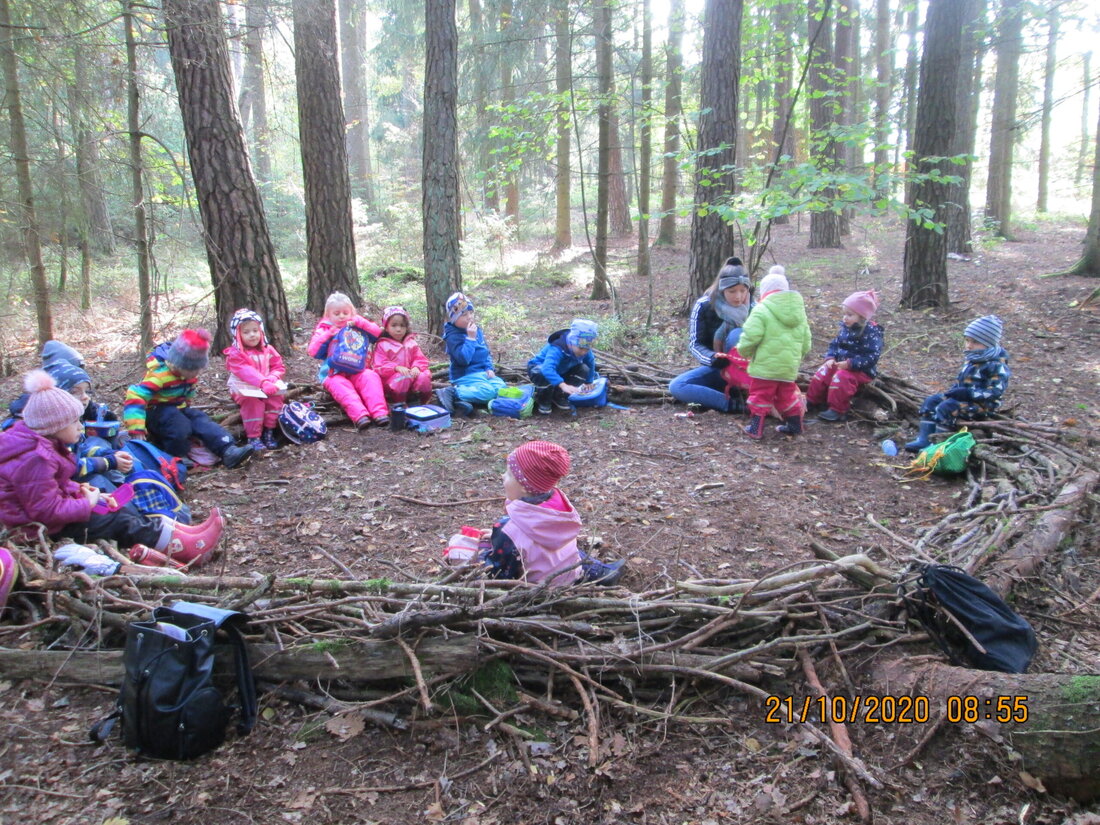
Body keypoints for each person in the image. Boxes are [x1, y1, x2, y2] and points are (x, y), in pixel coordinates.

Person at [0, 371, 223, 566]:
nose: (80, 427)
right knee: (120, 520)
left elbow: (53, 485)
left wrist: (80, 491)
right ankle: (189, 549)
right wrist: (86, 503)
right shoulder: (35, 458)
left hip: (52, 517)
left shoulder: (46, 446)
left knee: (118, 506)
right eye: (75, 422)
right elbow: (45, 510)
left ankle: (186, 534)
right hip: (38, 529)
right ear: (54, 426)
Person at [478, 441, 625, 585]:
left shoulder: (508, 529)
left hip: (542, 587)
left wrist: (486, 546)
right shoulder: (559, 506)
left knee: (464, 548)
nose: (503, 476)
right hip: (568, 568)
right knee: (570, 550)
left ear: (524, 486)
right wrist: (500, 539)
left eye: (509, 474)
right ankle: (600, 572)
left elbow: (497, 574)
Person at [5, 341, 132, 489]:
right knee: (97, 478)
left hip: (67, 479)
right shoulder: (42, 439)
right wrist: (108, 462)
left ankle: (127, 486)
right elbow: (66, 467)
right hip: (50, 494)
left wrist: (109, 453)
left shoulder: (66, 420)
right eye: (74, 392)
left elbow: (80, 447)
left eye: (86, 391)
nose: (85, 397)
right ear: (58, 395)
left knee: (112, 446)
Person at [123, 329, 253, 469]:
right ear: (180, 365)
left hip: (178, 408)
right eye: (193, 370)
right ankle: (177, 456)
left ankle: (227, 449)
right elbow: (135, 395)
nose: (196, 374)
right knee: (179, 424)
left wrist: (187, 408)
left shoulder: (188, 376)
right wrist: (136, 428)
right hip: (156, 412)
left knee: (201, 420)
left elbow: (187, 395)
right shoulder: (159, 376)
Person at [905, 315, 1010, 452]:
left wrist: (969, 393)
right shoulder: (972, 358)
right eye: (967, 340)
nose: (969, 345)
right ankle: (924, 439)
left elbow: (995, 392)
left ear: (989, 343)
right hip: (963, 398)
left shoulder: (996, 365)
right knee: (931, 401)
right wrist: (954, 391)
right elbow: (962, 381)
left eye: (975, 342)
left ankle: (938, 444)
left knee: (947, 407)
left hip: (983, 405)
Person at [668, 257, 754, 413]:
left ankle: (748, 390)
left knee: (737, 334)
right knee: (677, 386)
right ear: (722, 289)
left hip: (751, 371)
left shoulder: (755, 307)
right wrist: (713, 358)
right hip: (720, 369)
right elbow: (695, 344)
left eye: (743, 290)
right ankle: (733, 405)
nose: (738, 296)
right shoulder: (704, 305)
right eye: (732, 291)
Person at [736, 265, 812, 439]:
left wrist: (744, 351)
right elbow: (806, 342)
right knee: (786, 396)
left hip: (765, 367)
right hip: (788, 368)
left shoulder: (761, 310)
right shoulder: (799, 314)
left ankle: (755, 428)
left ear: (764, 291)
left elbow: (751, 335)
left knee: (760, 396)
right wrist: (795, 358)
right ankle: (795, 426)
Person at [308, 292, 390, 429]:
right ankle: (360, 416)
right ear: (328, 314)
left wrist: (360, 323)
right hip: (333, 372)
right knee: (341, 387)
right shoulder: (324, 328)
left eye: (345, 312)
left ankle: (379, 413)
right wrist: (329, 334)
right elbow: (313, 351)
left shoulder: (357, 323)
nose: (341, 316)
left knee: (370, 378)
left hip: (358, 368)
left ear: (351, 312)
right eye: (336, 313)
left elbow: (377, 333)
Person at [806, 289, 885, 423]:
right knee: (823, 372)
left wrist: (851, 364)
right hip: (840, 365)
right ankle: (812, 400)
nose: (845, 318)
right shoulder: (846, 329)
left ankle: (838, 409)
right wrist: (830, 358)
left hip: (860, 370)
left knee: (842, 378)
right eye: (844, 314)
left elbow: (872, 357)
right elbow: (835, 344)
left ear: (862, 317)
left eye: (850, 315)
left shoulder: (871, 333)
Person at [223, 308, 287, 452]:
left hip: (266, 385)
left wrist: (272, 377)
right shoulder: (236, 354)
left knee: (275, 400)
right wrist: (263, 382)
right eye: (246, 332)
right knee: (253, 404)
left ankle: (269, 431)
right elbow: (246, 371)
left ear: (261, 331)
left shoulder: (268, 349)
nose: (252, 335)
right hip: (244, 388)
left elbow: (278, 366)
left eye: (255, 330)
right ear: (238, 335)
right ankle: (253, 436)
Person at [438, 292, 507, 417]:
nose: (469, 317)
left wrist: (488, 368)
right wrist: (470, 339)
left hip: (482, 373)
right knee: (488, 392)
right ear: (454, 318)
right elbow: (463, 360)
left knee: (501, 388)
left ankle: (466, 403)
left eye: (471, 312)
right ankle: (453, 393)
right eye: (464, 314)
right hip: (465, 375)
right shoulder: (453, 335)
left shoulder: (476, 330)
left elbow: (485, 351)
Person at [527, 319, 600, 415]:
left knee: (584, 368)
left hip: (562, 371)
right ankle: (544, 400)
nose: (583, 352)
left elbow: (590, 363)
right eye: (581, 348)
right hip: (540, 369)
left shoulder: (585, 349)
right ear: (571, 343)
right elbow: (547, 368)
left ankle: (560, 396)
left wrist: (589, 381)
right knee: (541, 373)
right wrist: (563, 385)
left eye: (586, 349)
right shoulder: (557, 348)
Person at [370, 306, 433, 406]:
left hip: (411, 376)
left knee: (423, 377)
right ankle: (400, 404)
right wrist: (396, 368)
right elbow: (379, 365)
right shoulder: (382, 345)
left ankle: (423, 403)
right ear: (386, 327)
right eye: (394, 325)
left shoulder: (411, 343)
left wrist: (416, 367)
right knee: (403, 378)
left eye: (402, 325)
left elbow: (420, 358)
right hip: (392, 381)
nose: (398, 329)